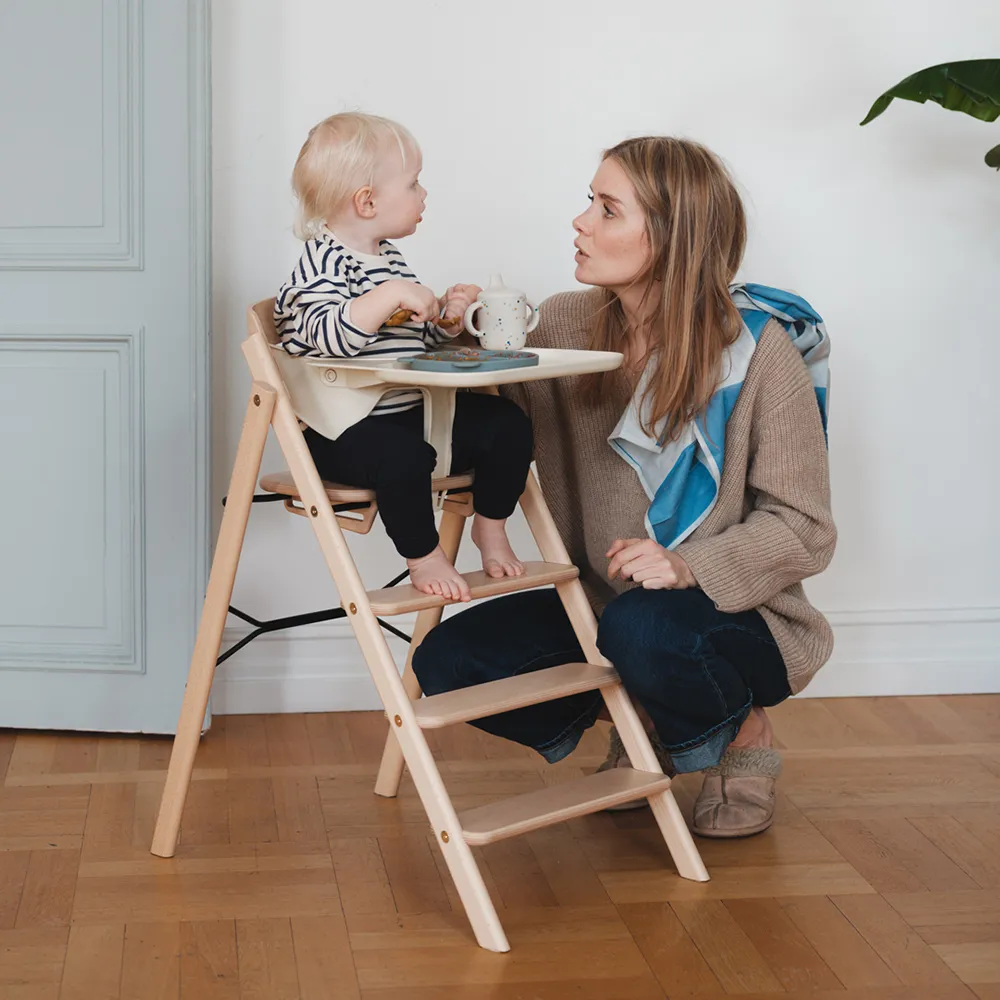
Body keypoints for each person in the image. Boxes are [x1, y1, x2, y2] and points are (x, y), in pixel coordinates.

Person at [412, 136, 836, 838]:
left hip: (732, 614)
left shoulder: (758, 353)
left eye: (607, 209)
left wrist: (687, 565)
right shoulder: (564, 324)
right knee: (450, 661)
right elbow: (486, 434)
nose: (580, 222)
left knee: (644, 626)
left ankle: (743, 735)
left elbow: (805, 528)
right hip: (600, 605)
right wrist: (456, 337)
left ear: (671, 235)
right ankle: (647, 719)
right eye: (590, 202)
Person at [274, 113, 532, 601]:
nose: (424, 193)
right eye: (413, 183)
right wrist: (389, 294)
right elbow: (328, 336)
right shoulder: (321, 263)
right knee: (403, 458)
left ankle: (491, 526)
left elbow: (413, 341)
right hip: (343, 431)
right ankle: (423, 555)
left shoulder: (389, 257)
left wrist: (447, 320)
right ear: (367, 201)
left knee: (507, 423)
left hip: (414, 414)